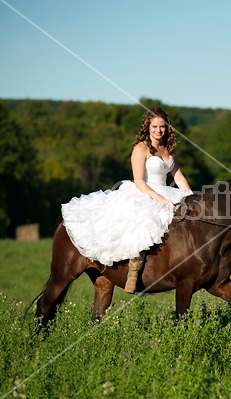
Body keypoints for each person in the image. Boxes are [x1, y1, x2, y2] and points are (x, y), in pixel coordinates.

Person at [61, 108, 193, 293]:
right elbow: (139, 183)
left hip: (166, 191)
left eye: (162, 127)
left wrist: (191, 198)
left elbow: (178, 178)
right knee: (144, 224)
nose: (158, 130)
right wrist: (163, 201)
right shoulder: (141, 148)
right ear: (147, 127)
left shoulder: (169, 150)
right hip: (144, 193)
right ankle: (134, 271)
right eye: (154, 126)